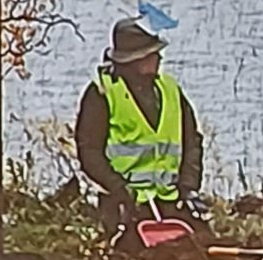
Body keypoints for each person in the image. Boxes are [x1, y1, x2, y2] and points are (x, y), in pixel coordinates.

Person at [73, 19, 205, 244]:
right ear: (134, 60)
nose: (159, 58)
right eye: (152, 54)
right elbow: (89, 152)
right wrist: (119, 189)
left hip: (171, 201)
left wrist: (188, 188)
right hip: (124, 204)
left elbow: (192, 142)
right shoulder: (102, 93)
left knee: (200, 245)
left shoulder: (170, 90)